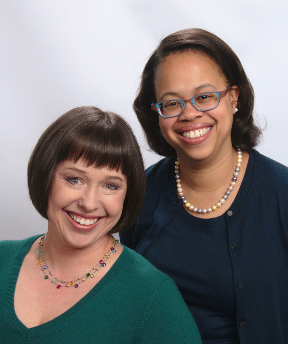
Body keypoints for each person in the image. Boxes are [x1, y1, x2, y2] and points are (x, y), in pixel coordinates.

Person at [120, 28, 288, 344]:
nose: (190, 113)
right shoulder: (138, 195)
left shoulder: (282, 195)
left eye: (205, 96)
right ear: (157, 113)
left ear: (233, 98)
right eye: (171, 103)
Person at [0, 106, 201, 344]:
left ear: (128, 194)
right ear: (45, 175)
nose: (88, 203)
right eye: (74, 180)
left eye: (111, 185)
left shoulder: (152, 296)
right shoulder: (3, 258)